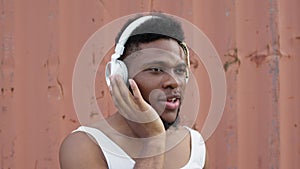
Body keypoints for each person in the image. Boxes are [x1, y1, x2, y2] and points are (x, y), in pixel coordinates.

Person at [59, 13, 207, 169]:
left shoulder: (194, 146)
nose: (174, 82)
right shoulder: (85, 146)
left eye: (179, 70)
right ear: (120, 76)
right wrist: (154, 140)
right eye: (156, 69)